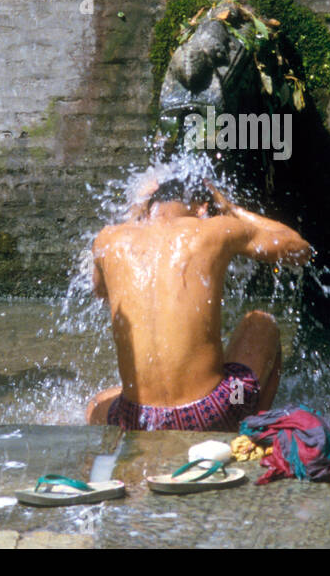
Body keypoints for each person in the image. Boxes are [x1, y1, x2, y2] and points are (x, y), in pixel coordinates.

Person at [85, 174, 312, 430]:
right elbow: (299, 248)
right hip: (211, 411)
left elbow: (101, 292)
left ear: (150, 207)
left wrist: (135, 214)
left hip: (136, 418)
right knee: (262, 324)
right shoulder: (215, 227)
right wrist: (231, 210)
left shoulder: (108, 239)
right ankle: (244, 423)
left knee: (96, 404)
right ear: (202, 208)